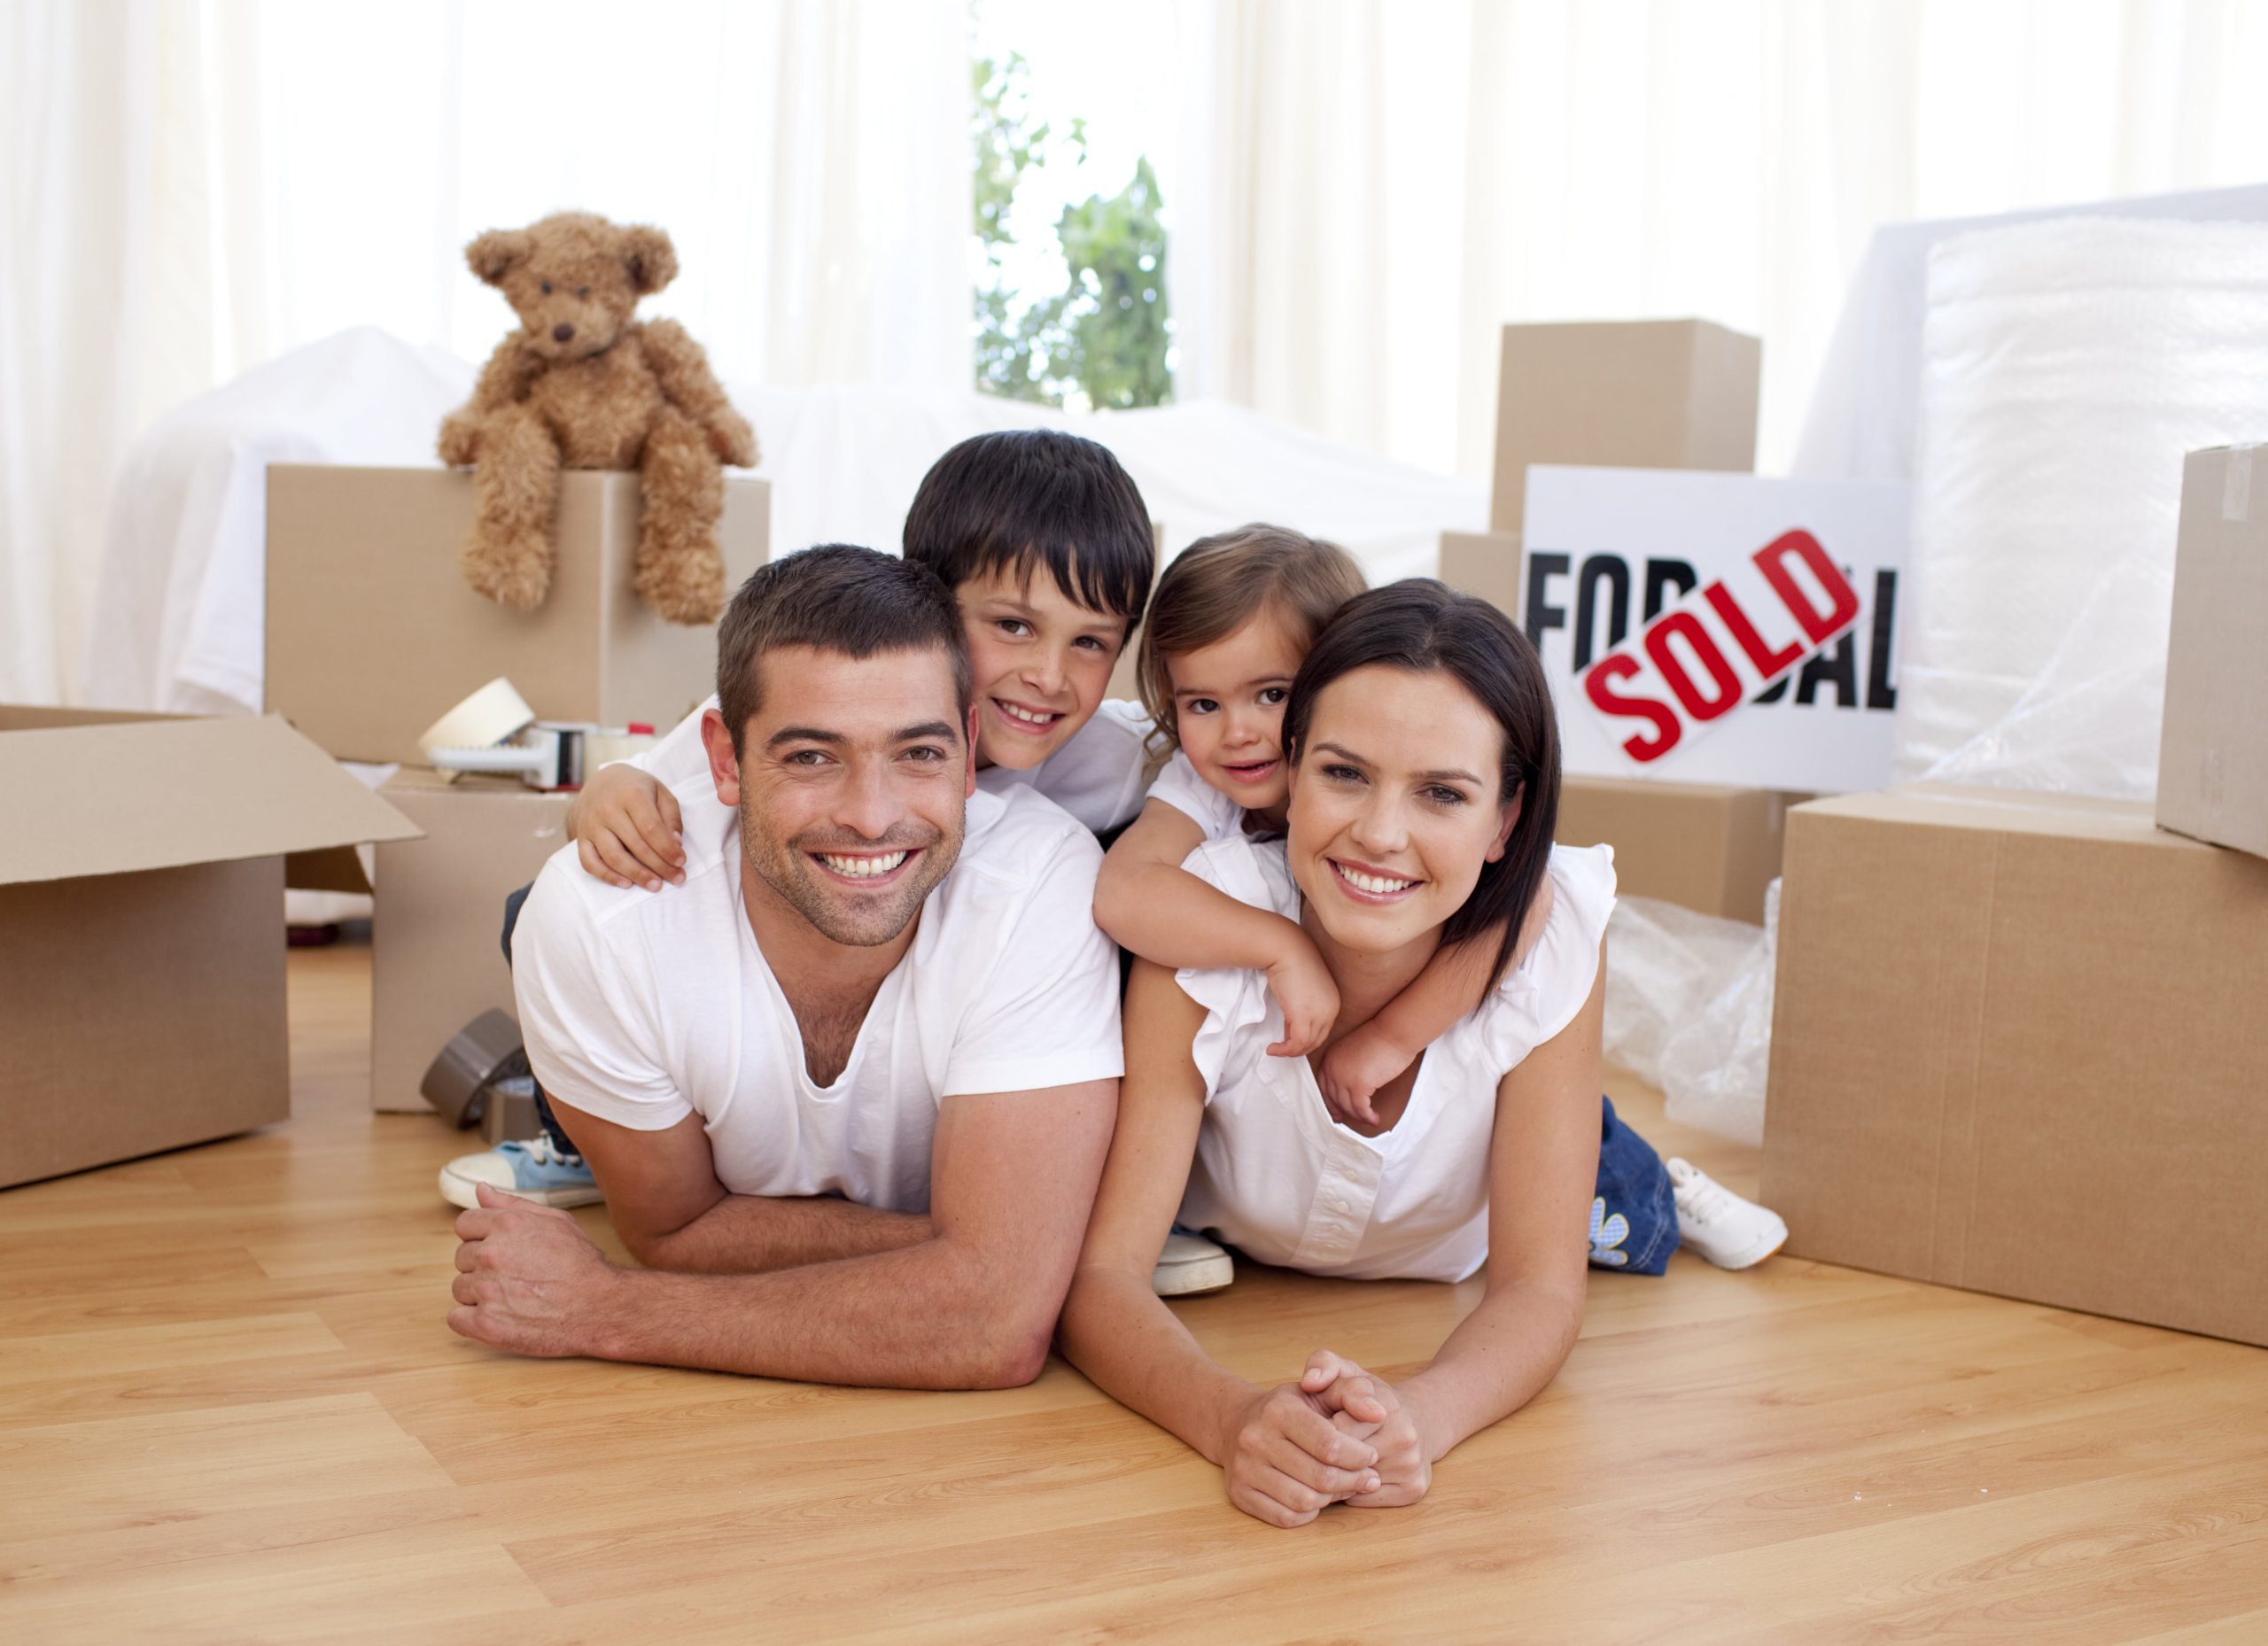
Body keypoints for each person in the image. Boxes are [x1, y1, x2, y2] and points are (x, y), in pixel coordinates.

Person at [1058, 580, 1782, 1526]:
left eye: (1441, 792)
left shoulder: (1552, 936)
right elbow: (1103, 1278)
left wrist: (1419, 1415)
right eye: (1343, 774)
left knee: (1615, 1203)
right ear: (1287, 768)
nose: (1380, 832)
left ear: (1506, 823)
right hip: (1254, 1246)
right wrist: (1231, 1416)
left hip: (1470, 1241)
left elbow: (1537, 1288)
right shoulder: (1205, 928)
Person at [445, 546, 1122, 1389]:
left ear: (969, 745)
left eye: (919, 754)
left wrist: (603, 1308)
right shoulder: (600, 916)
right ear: (724, 760)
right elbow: (675, 1233)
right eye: (811, 757)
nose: (872, 818)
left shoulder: (1043, 876)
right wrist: (1008, 1255)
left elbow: (993, 1324)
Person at [439, 428, 1157, 1215]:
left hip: (999, 994)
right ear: (923, 603)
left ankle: (1121, 1193)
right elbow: (632, 794)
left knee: (1128, 921)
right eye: (1013, 626)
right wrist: (605, 792)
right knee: (538, 910)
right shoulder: (791, 710)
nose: (1048, 678)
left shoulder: (1114, 758)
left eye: (1091, 642)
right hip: (814, 939)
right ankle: (590, 1143)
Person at [1093, 533, 1781, 1286]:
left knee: (1604, 1186)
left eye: (1272, 694)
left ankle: (1665, 1187)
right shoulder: (1202, 789)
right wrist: (1277, 948)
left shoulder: (1386, 763)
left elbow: (1523, 917)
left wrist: (1391, 1039)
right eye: (1202, 702)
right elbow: (1126, 890)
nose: (1239, 732)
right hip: (1288, 1114)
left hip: (1462, 1063)